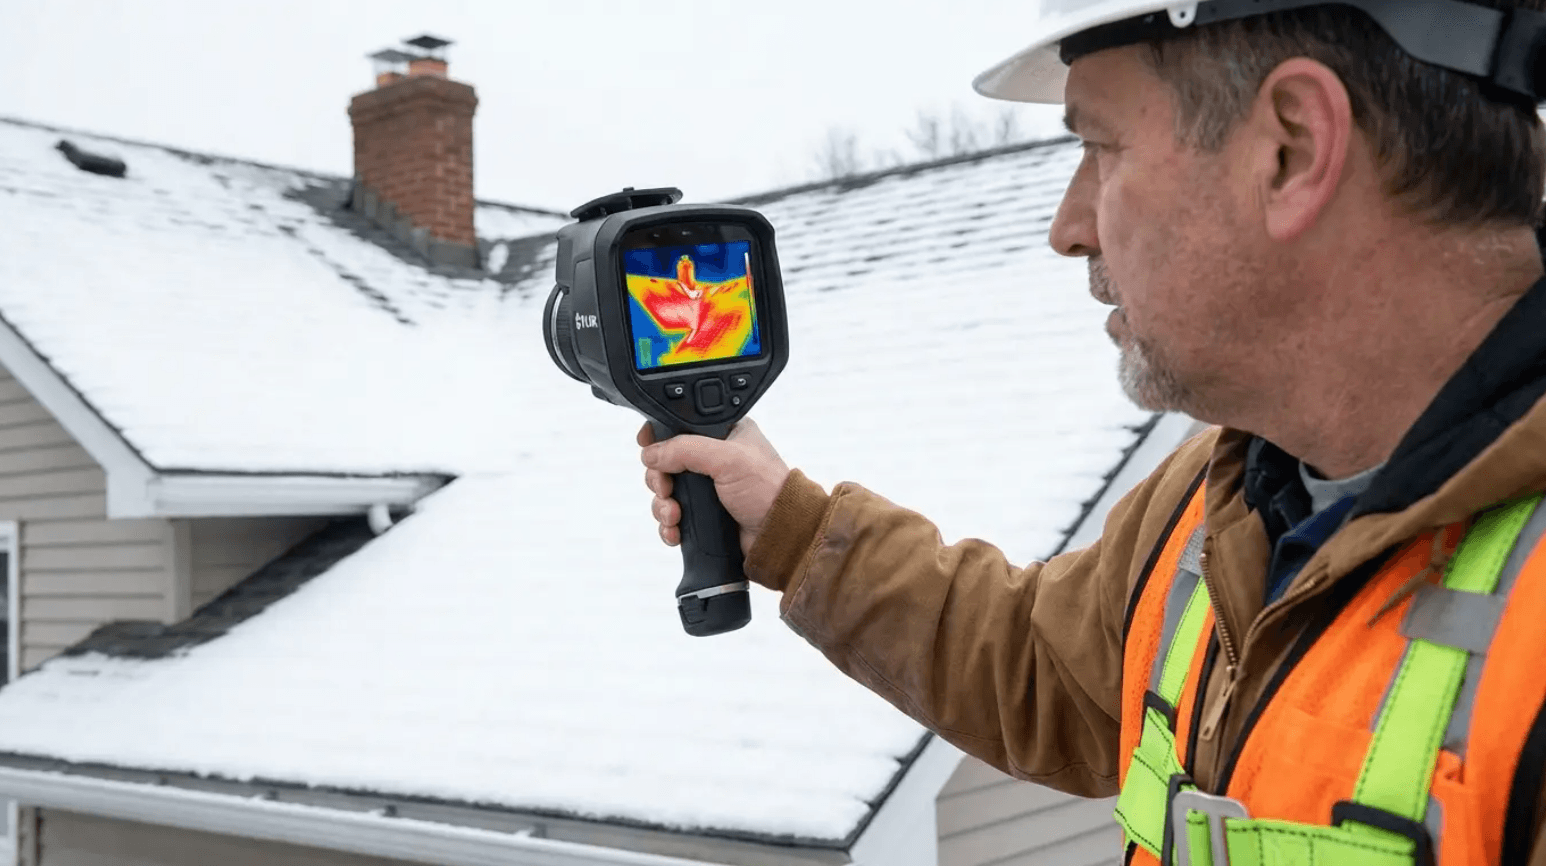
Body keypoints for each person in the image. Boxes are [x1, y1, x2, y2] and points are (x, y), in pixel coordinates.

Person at [639, 2, 1546, 863]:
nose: (1068, 229)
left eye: (1101, 147)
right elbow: (1041, 662)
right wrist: (791, 529)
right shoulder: (1222, 496)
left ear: (1292, 148)